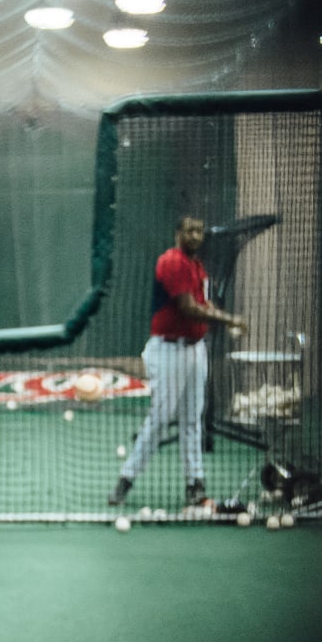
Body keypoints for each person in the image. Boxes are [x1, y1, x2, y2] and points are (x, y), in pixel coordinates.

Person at [108, 215, 246, 509]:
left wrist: (218, 317)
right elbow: (187, 308)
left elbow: (203, 304)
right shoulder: (172, 261)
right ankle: (126, 479)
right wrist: (228, 319)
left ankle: (195, 486)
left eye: (200, 231)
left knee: (192, 419)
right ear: (178, 233)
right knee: (161, 418)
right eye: (190, 230)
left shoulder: (198, 267)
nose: (196, 235)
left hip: (196, 351)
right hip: (168, 350)